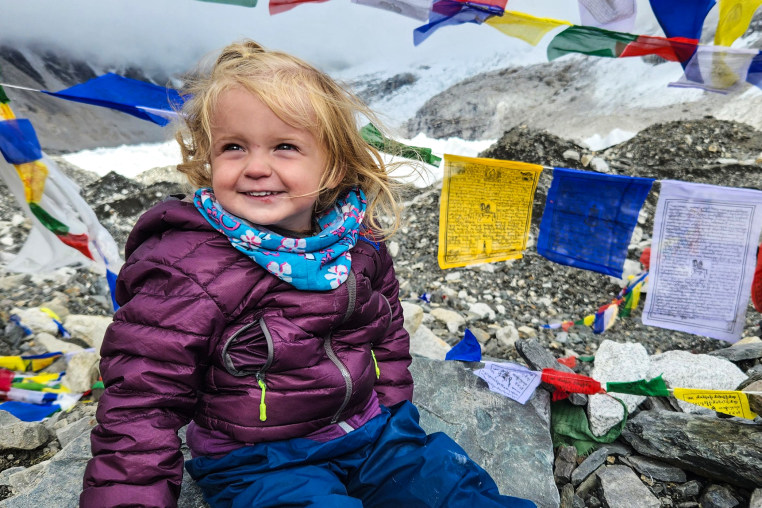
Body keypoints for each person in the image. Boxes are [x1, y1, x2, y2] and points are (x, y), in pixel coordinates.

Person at [80, 40, 535, 508]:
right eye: (233, 147)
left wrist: (395, 409)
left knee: (456, 493)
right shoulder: (188, 264)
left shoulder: (357, 240)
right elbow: (141, 401)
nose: (257, 167)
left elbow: (386, 330)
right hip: (258, 460)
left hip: (371, 434)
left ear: (335, 165)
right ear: (208, 157)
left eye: (285, 147)